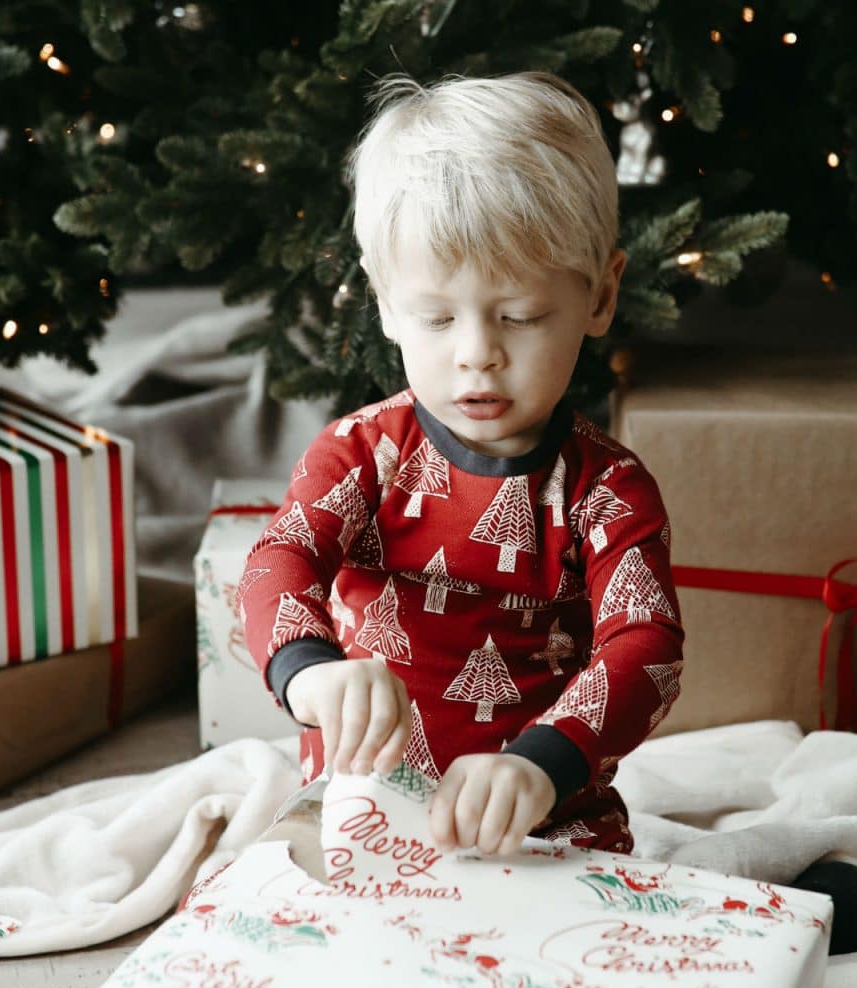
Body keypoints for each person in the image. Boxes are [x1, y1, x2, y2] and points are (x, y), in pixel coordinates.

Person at [237, 69, 685, 857]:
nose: (477, 354)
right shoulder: (362, 453)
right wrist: (311, 676)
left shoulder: (607, 489)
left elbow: (645, 643)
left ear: (600, 298)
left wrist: (541, 767)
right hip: (360, 802)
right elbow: (282, 558)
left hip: (544, 814)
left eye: (521, 315)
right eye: (437, 317)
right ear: (383, 301)